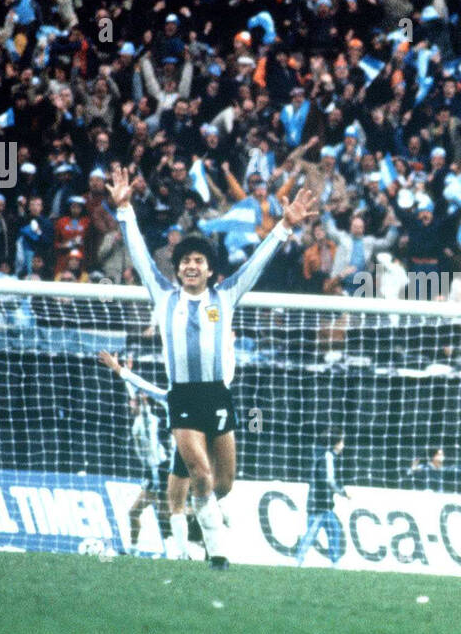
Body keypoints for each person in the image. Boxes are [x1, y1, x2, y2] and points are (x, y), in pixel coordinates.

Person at [107, 165, 319, 570]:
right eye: (185, 260)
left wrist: (284, 227)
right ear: (178, 266)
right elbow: (136, 251)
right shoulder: (163, 294)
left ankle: (191, 520)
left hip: (218, 396)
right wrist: (125, 211)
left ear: (209, 269)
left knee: (223, 483)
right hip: (183, 396)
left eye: (198, 261)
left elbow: (257, 263)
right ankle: (215, 551)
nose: (190, 266)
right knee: (201, 475)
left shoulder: (226, 295)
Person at [97, 350, 197, 559]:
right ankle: (134, 551)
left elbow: (139, 393)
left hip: (160, 470)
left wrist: (122, 371)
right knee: (141, 512)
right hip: (151, 470)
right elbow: (136, 395)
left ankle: (193, 532)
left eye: (134, 403)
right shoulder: (139, 419)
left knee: (169, 511)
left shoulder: (147, 418)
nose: (130, 404)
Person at [296, 432, 350, 567]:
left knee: (334, 530)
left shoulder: (323, 455)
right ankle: (297, 560)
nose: (343, 445)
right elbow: (329, 480)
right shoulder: (327, 457)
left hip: (324, 505)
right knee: (312, 533)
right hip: (319, 504)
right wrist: (342, 492)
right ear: (336, 443)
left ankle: (335, 562)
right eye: (342, 442)